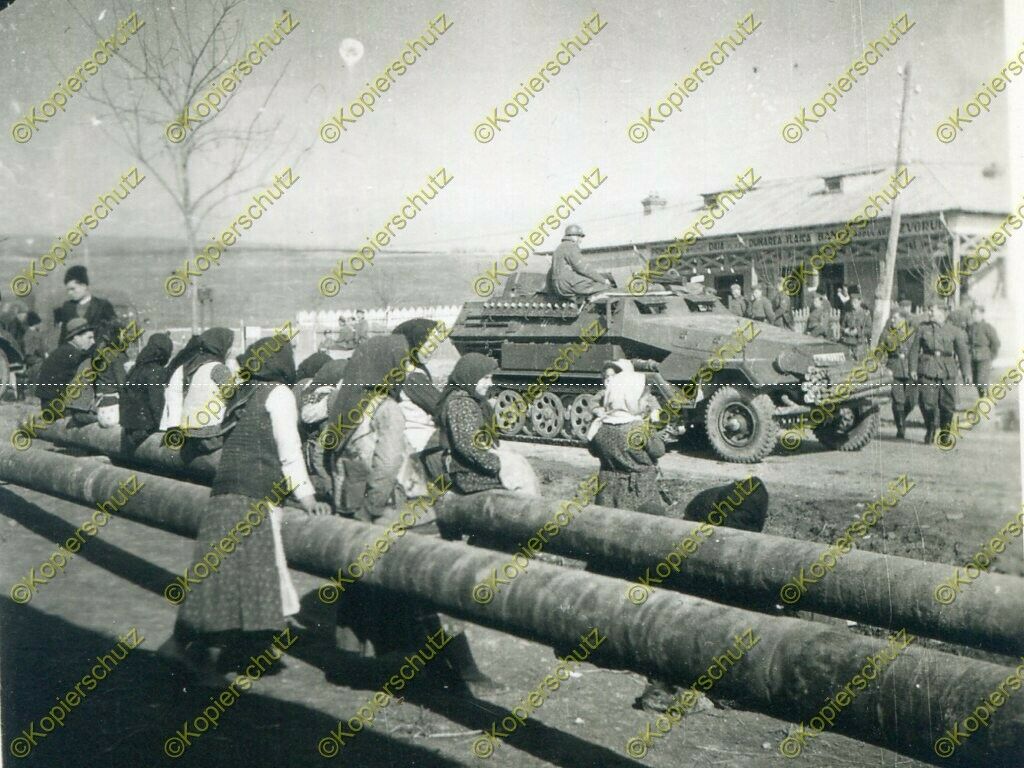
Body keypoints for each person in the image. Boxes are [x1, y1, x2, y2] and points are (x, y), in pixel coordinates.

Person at [159, 337, 330, 684]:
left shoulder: (244, 391)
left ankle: (187, 646)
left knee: (217, 575)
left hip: (223, 493)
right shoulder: (279, 394)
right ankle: (210, 663)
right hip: (254, 496)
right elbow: (289, 451)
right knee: (247, 576)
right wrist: (307, 496)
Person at [586, 359, 666, 513]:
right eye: (642, 399)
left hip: (607, 494)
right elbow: (658, 451)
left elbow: (594, 450)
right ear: (631, 398)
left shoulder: (599, 427)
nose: (645, 404)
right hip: (639, 494)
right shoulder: (639, 428)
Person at [160, 327, 235, 458]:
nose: (230, 351)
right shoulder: (219, 369)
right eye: (229, 346)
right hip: (210, 436)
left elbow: (174, 399)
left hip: (188, 434)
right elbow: (234, 398)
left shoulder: (185, 367)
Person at [436, 353, 504, 494]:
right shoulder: (461, 403)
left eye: (490, 378)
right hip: (467, 475)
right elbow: (468, 447)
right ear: (471, 376)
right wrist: (499, 464)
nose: (490, 383)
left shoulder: (468, 399)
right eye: (485, 378)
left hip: (471, 469)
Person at [910, 303, 971, 444]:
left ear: (942, 312)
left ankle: (945, 433)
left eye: (932, 310)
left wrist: (967, 372)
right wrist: (912, 369)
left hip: (947, 371)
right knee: (926, 402)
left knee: (947, 405)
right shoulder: (922, 328)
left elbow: (963, 354)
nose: (929, 312)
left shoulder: (954, 331)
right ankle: (930, 428)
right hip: (927, 368)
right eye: (929, 310)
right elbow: (914, 350)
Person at [120, 333, 173, 449]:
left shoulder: (135, 368)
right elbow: (156, 404)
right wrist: (164, 426)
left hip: (129, 428)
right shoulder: (155, 371)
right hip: (144, 429)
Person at [34, 317, 94, 415]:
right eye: (89, 338)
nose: (93, 342)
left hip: (49, 404)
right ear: (76, 337)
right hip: (58, 407)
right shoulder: (73, 354)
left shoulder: (63, 350)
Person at [53, 266, 119, 345]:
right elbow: (63, 336)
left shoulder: (102, 305)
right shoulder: (67, 307)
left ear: (84, 286)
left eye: (73, 289)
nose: (70, 293)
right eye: (68, 290)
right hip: (74, 351)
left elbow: (115, 331)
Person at [547, 224, 612, 299]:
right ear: (575, 236)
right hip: (568, 284)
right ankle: (592, 300)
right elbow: (583, 268)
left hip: (558, 286)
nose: (581, 240)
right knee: (604, 286)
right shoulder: (571, 246)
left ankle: (585, 300)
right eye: (580, 237)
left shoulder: (559, 248)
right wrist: (603, 281)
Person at [885, 308, 916, 440]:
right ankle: (901, 427)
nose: (892, 320)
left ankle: (901, 416)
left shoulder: (913, 333)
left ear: (903, 320)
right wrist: (884, 369)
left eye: (895, 318)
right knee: (898, 400)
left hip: (910, 369)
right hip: (894, 368)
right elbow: (880, 351)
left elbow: (917, 351)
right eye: (892, 318)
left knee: (911, 401)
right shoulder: (887, 333)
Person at [967, 304, 1000, 397]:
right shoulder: (970, 327)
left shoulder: (987, 327)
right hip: (973, 358)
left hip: (984, 358)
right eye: (972, 313)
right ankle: (985, 400)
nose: (974, 315)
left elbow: (996, 343)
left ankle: (984, 402)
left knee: (982, 382)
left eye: (976, 313)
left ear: (982, 314)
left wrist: (991, 357)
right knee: (977, 382)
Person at [840, 289, 871, 358]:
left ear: (860, 302)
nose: (853, 304)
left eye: (855, 302)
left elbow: (869, 329)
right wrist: (845, 330)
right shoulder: (847, 314)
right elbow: (841, 327)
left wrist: (858, 331)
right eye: (852, 302)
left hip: (860, 344)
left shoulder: (865, 314)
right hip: (848, 344)